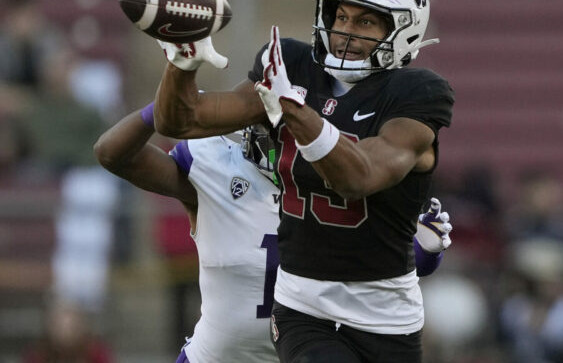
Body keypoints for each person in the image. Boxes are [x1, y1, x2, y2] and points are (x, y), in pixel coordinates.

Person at [152, 0, 454, 362]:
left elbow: (358, 176)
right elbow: (182, 121)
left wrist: (294, 109)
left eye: (365, 21)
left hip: (386, 314)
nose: (345, 32)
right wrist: (181, 64)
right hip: (302, 305)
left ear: (402, 29)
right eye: (339, 17)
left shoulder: (417, 93)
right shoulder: (295, 67)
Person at [93, 100, 453, 362]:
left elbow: (379, 276)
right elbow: (112, 153)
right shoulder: (216, 169)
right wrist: (161, 107)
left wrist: (424, 252)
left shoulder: (345, 189)